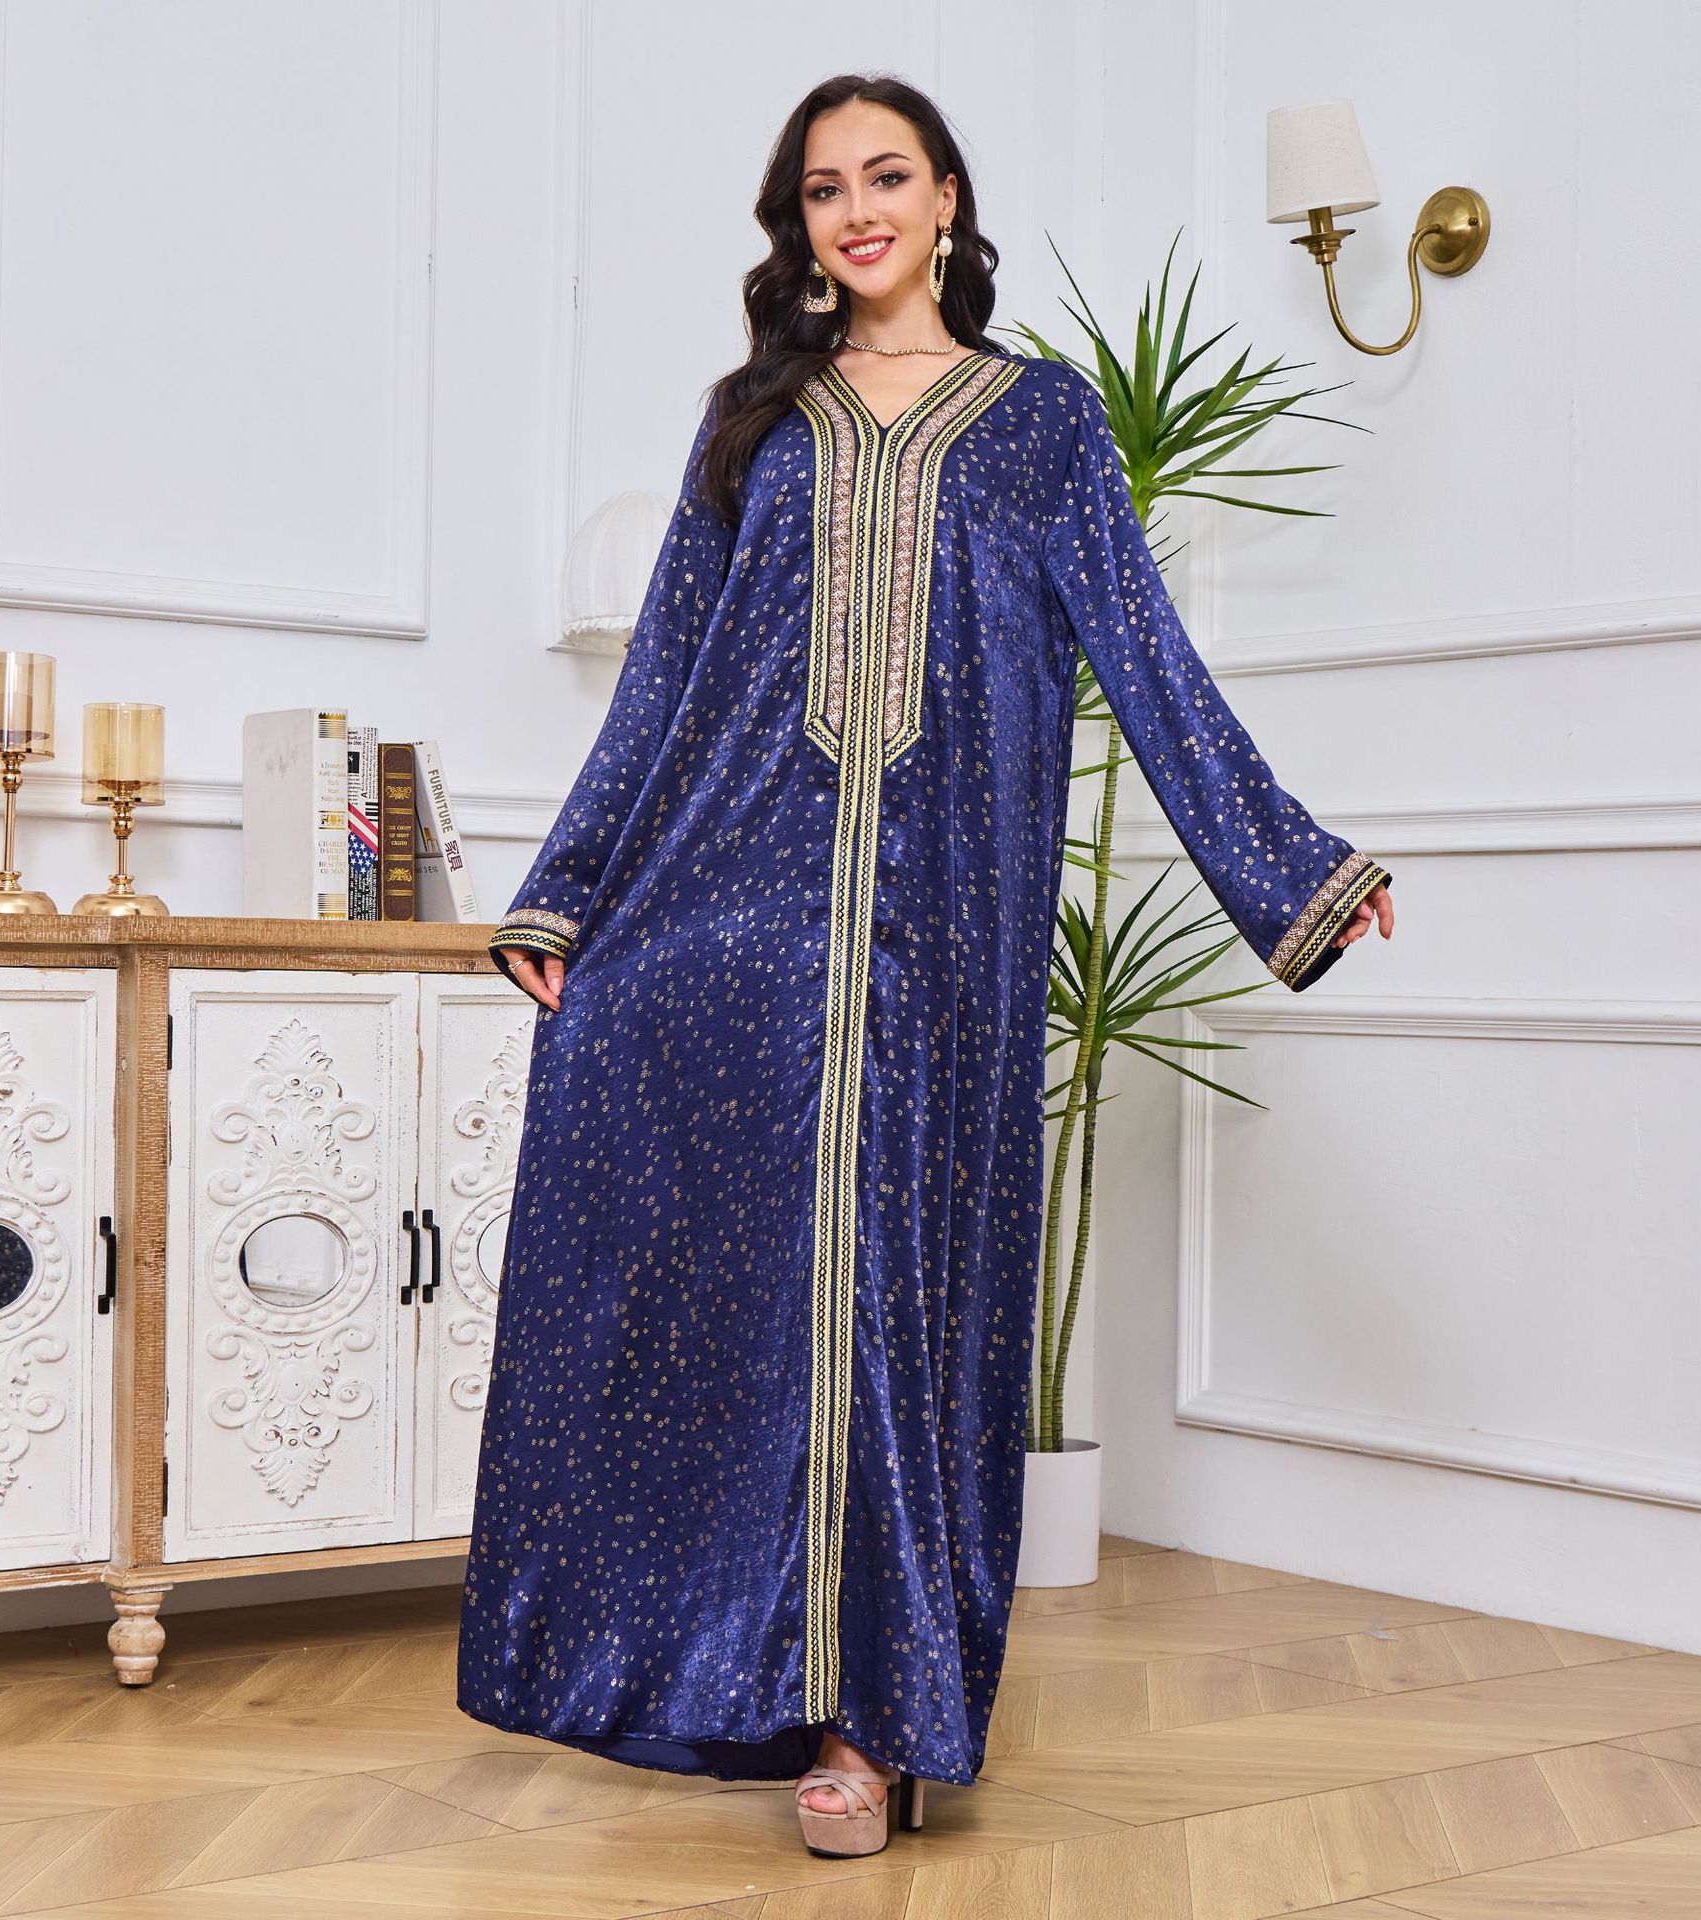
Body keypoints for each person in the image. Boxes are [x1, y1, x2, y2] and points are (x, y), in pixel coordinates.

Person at [457, 72, 1393, 1859]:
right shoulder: (756, 420)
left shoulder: (1041, 427)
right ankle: (744, 1682)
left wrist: (1290, 869)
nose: (858, 209)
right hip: (736, 914)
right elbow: (665, 672)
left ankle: (876, 1723)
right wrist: (568, 897)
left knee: (898, 1307)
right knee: (751, 1306)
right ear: (800, 224)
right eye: (825, 188)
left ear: (948, 196)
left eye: (886, 175)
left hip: (947, 933)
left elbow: (1145, 653)